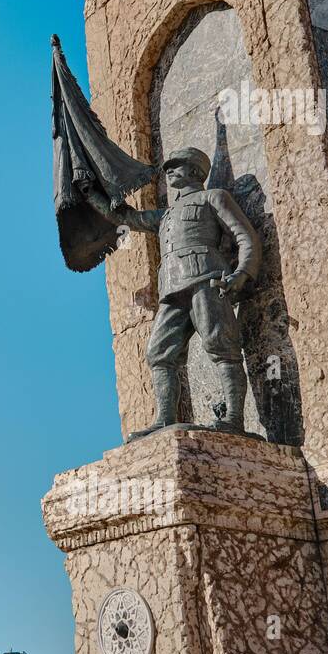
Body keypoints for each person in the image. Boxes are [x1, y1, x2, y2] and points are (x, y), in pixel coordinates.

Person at [83, 146, 262, 437]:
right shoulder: (166, 214)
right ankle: (165, 419)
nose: (169, 171)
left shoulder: (212, 198)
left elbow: (245, 236)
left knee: (221, 346)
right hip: (172, 288)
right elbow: (126, 219)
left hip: (206, 279)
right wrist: (90, 193)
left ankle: (234, 420)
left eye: (175, 166)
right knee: (158, 352)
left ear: (195, 171)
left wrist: (242, 274)